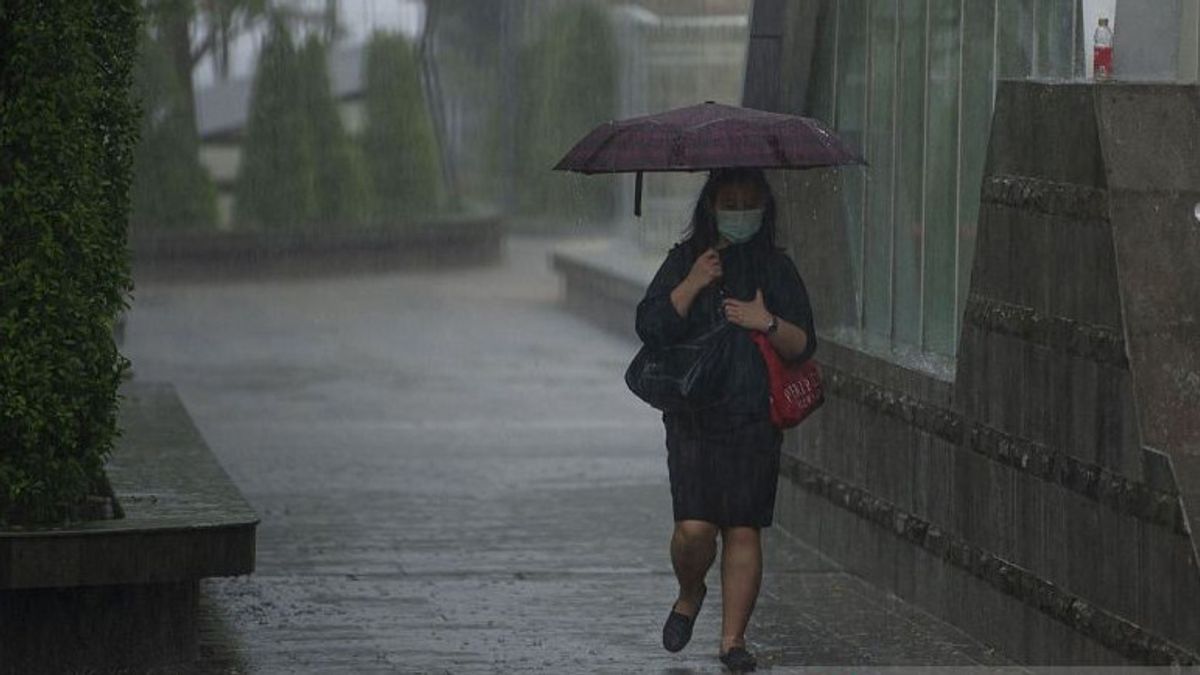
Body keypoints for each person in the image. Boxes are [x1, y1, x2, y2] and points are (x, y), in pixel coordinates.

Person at [634, 167, 816, 672]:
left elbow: (805, 345)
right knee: (694, 528)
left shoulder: (776, 270)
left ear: (764, 205)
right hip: (693, 417)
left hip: (753, 418)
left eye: (748, 201)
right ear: (711, 206)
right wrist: (693, 281)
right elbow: (650, 325)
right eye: (729, 201)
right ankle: (690, 592)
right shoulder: (685, 260)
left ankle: (733, 641)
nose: (740, 211)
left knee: (742, 528)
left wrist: (768, 323)